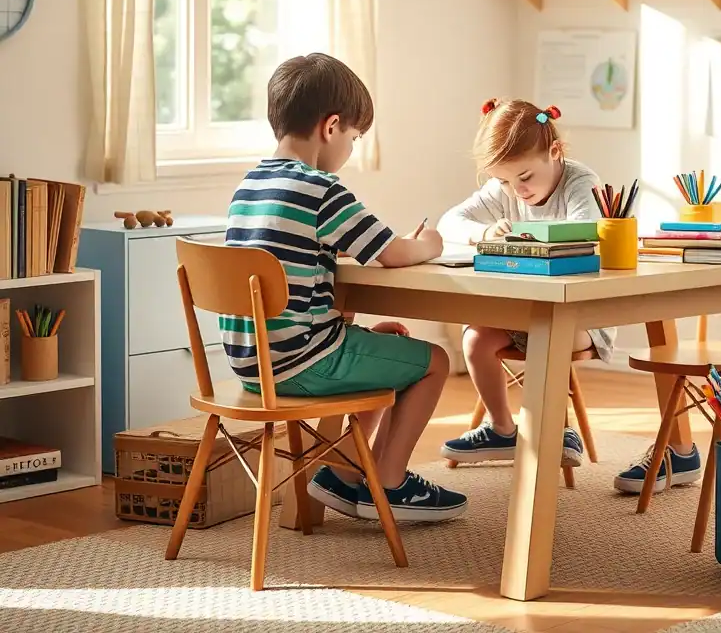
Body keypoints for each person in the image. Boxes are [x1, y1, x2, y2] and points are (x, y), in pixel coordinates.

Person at [220, 52, 466, 523]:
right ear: (331, 127)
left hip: (254, 365)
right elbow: (392, 252)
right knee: (435, 362)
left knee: (388, 342)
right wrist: (429, 244)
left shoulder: (250, 185)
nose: (351, 150)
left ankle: (344, 473)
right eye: (354, 138)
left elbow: (296, 249)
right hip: (302, 361)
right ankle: (390, 483)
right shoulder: (321, 188)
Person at [436, 97, 612, 470]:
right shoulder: (506, 188)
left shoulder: (581, 184)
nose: (517, 190)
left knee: (547, 333)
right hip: (521, 312)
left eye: (526, 177)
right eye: (504, 181)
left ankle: (553, 428)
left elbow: (584, 233)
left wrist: (516, 234)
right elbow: (449, 221)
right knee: (475, 338)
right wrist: (483, 231)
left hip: (581, 319)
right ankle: (501, 428)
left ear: (555, 151)